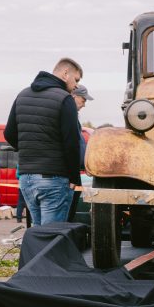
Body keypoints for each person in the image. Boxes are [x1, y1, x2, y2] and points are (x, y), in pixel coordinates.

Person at [4, 58, 83, 225]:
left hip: (26, 178)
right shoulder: (65, 99)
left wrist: (28, 148)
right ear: (65, 73)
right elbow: (71, 143)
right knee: (52, 237)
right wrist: (75, 178)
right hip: (54, 178)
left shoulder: (22, 95)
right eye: (76, 80)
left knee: (38, 234)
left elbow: (9, 133)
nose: (76, 85)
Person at [67, 84, 93, 222]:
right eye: (83, 100)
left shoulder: (74, 118)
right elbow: (71, 145)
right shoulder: (68, 117)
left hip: (74, 173)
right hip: (69, 175)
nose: (84, 105)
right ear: (74, 96)